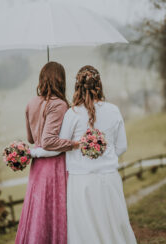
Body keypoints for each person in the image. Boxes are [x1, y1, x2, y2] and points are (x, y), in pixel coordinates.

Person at [32, 65, 137, 244]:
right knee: (112, 225)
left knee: (84, 231)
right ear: (99, 85)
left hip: (81, 181)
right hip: (109, 178)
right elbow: (122, 146)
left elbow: (58, 147)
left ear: (77, 86)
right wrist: (106, 159)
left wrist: (33, 152)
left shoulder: (72, 114)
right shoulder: (113, 110)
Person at [15, 62, 79, 244]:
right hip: (54, 166)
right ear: (61, 80)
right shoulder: (59, 104)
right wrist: (73, 144)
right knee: (52, 210)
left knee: (38, 210)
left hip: (37, 166)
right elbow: (49, 141)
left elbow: (31, 139)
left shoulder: (31, 102)